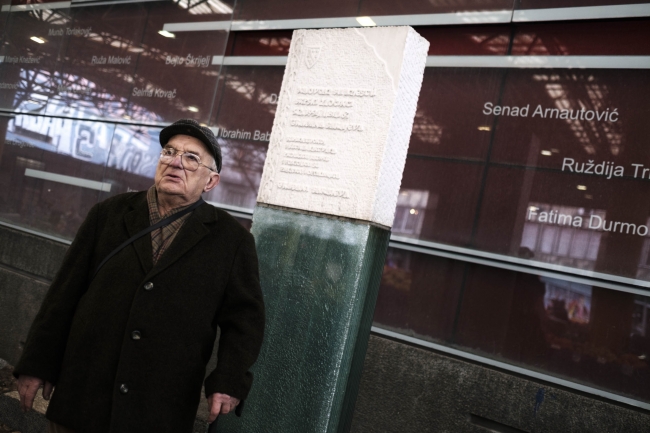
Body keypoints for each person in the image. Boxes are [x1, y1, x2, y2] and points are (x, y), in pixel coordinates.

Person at [13, 119, 266, 433]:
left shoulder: (231, 240)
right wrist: (37, 364)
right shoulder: (108, 214)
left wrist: (229, 379)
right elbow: (63, 295)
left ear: (211, 181)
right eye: (169, 152)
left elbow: (245, 319)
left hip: (158, 408)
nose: (175, 162)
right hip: (84, 393)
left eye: (191, 158)